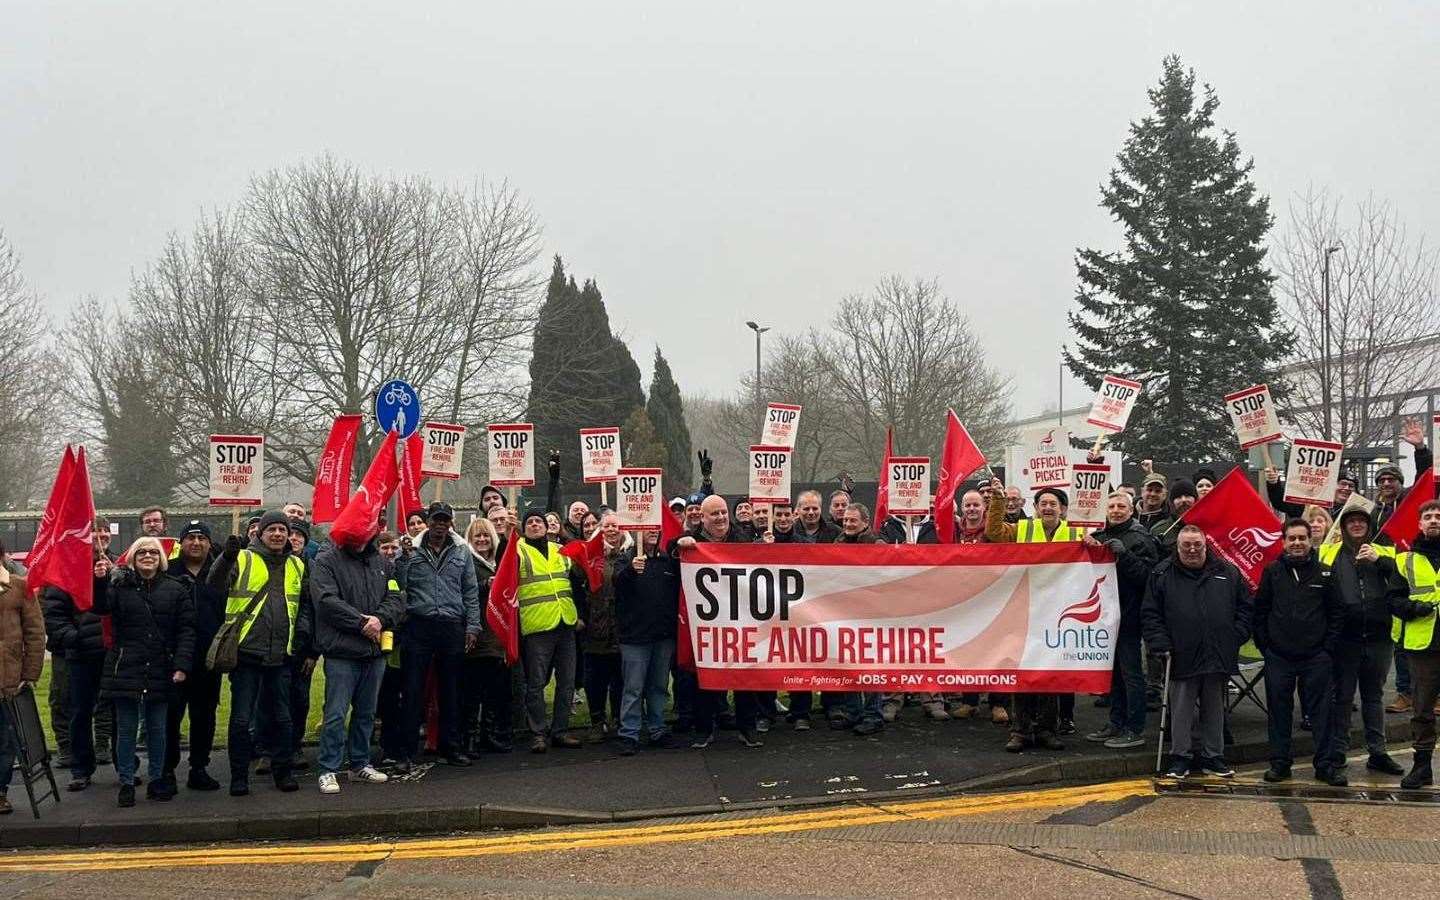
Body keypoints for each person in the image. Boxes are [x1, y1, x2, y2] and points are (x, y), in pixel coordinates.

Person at [207, 509, 308, 796]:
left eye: (282, 530)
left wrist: (300, 637)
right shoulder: (243, 557)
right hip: (246, 654)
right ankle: (239, 777)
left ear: (289, 535)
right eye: (271, 529)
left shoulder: (297, 565)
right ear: (260, 533)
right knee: (241, 719)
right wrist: (226, 557)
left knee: (283, 719)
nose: (277, 534)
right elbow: (214, 586)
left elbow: (302, 606)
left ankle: (283, 772)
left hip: (281, 655)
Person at [1143, 524, 1252, 779]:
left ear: (1206, 545)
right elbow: (1150, 614)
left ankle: (1213, 757)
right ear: (1177, 547)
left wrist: (1235, 635)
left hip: (1217, 652)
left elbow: (1245, 608)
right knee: (1181, 710)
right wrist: (1160, 642)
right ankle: (1180, 757)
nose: (1192, 550)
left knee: (1214, 709)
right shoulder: (1161, 573)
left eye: (1197, 545)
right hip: (1180, 653)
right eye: (1186, 545)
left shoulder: (1228, 572)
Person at [94, 536, 196, 807]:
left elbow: (186, 630)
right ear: (133, 558)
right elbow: (100, 607)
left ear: (161, 558)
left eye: (153, 552)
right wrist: (101, 580)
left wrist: (182, 665)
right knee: (126, 729)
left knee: (157, 729)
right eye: (142, 552)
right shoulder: (119, 587)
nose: (148, 556)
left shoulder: (176, 589)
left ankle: (157, 779)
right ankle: (126, 782)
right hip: (126, 666)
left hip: (162, 667)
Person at [1320, 507, 1420, 778]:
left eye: (1361, 521)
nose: (1356, 525)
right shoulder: (1329, 553)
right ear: (1343, 527)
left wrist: (1379, 561)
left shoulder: (1386, 553)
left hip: (1378, 638)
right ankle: (1338, 751)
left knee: (1373, 697)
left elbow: (1406, 581)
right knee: (1341, 697)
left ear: (1370, 526)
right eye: (1351, 521)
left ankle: (1378, 752)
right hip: (1344, 639)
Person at [987, 481, 1083, 751]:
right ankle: (1021, 731)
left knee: (1050, 674)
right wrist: (997, 500)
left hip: (1059, 614)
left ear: (1063, 509)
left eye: (1053, 504)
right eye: (1043, 504)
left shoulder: (1076, 533)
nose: (1048, 508)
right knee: (1023, 672)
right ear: (1036, 508)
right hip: (1025, 611)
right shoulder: (1024, 528)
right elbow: (994, 532)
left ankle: (1047, 730)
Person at [311, 530, 405, 795]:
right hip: (342, 651)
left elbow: (397, 597)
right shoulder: (327, 561)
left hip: (374, 651)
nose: (362, 537)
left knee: (366, 712)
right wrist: (362, 622)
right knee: (336, 714)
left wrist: (379, 620)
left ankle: (359, 763)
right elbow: (326, 601)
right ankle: (328, 768)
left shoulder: (383, 564)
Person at [1252, 519, 1345, 785]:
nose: (1297, 543)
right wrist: (1266, 646)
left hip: (1316, 657)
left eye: (1302, 538)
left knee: (1322, 714)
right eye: (1291, 538)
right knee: (1279, 712)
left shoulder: (1325, 573)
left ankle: (1325, 765)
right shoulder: (1272, 572)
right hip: (1279, 656)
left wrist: (1327, 648)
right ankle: (1280, 764)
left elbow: (1337, 614)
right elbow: (1260, 611)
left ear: (1310, 540)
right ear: (1283, 542)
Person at [395, 501, 482, 769]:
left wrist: (473, 626)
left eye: (445, 520)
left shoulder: (461, 551)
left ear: (450, 523)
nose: (440, 525)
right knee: (412, 691)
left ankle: (451, 748)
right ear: (428, 521)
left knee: (451, 691)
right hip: (418, 625)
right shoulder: (411, 549)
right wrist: (405, 558)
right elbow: (400, 585)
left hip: (451, 625)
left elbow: (470, 590)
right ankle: (406, 752)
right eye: (436, 520)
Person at [674, 495, 764, 748]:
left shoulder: (742, 539)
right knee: (706, 678)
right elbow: (671, 551)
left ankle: (747, 728)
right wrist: (680, 544)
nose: (721, 517)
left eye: (724, 512)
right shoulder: (694, 542)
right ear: (702, 518)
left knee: (745, 676)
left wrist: (767, 547)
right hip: (709, 624)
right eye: (714, 514)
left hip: (741, 620)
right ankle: (704, 730)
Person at [1084, 491, 1160, 750]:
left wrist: (1124, 555)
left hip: (1128, 616)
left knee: (1131, 674)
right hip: (1105, 618)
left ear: (1130, 510)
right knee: (1113, 674)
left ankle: (1134, 728)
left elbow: (1148, 578)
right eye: (1112, 506)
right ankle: (1116, 722)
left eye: (1121, 506)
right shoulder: (1101, 536)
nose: (1116, 510)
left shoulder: (1140, 538)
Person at [515, 505, 590, 753]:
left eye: (539, 521)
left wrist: (579, 614)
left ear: (547, 527)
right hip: (537, 625)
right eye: (530, 522)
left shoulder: (560, 550)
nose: (535, 525)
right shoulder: (518, 550)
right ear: (524, 528)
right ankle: (538, 733)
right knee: (536, 683)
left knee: (567, 682)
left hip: (565, 623)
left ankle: (560, 730)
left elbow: (576, 582)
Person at [43, 551, 114, 792]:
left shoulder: (110, 572)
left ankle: (125, 766)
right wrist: (76, 638)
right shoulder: (61, 579)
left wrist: (104, 579)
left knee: (117, 710)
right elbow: (53, 617)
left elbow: (116, 607)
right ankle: (81, 768)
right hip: (80, 656)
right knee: (80, 713)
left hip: (111, 655)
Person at [162, 520, 224, 792]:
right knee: (170, 717)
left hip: (209, 660)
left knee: (204, 717)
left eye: (201, 538)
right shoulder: (169, 572)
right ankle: (166, 770)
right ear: (181, 542)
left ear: (210, 543)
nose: (196, 543)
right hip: (174, 659)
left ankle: (199, 768)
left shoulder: (221, 572)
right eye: (190, 538)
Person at [613, 529, 679, 755]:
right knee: (633, 688)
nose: (653, 531)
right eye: (647, 527)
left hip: (663, 636)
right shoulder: (625, 558)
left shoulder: (667, 560)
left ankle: (657, 729)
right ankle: (629, 733)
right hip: (635, 637)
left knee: (659, 687)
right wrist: (631, 570)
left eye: (656, 528)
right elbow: (617, 584)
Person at [1393, 500, 1440, 788]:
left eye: (1438, 516)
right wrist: (1414, 608)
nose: (1434, 520)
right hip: (1423, 647)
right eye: (1428, 517)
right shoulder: (1405, 560)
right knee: (1422, 711)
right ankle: (1422, 767)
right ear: (1420, 524)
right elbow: (1393, 601)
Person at [0, 539, 44, 816]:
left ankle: (1, 792)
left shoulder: (19, 586)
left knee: (5, 741)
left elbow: (35, 633)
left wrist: (29, 673)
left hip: (8, 679)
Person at [462, 517, 513, 754]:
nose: (482, 540)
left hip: (498, 634)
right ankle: (469, 737)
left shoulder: (500, 562)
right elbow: (463, 589)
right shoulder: (465, 561)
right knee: (473, 691)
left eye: (485, 536)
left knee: (494, 690)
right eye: (477, 537)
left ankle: (488, 734)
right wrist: (485, 584)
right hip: (477, 632)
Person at [583, 514, 630, 742]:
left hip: (623, 628)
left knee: (621, 679)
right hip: (596, 626)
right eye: (606, 526)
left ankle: (621, 720)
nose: (611, 529)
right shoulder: (589, 555)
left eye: (615, 525)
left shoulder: (631, 553)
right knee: (596, 679)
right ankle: (597, 721)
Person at [1149, 479, 1198, 549]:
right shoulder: (1159, 530)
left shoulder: (1207, 526)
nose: (1183, 500)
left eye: (1187, 496)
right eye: (1178, 497)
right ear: (1172, 503)